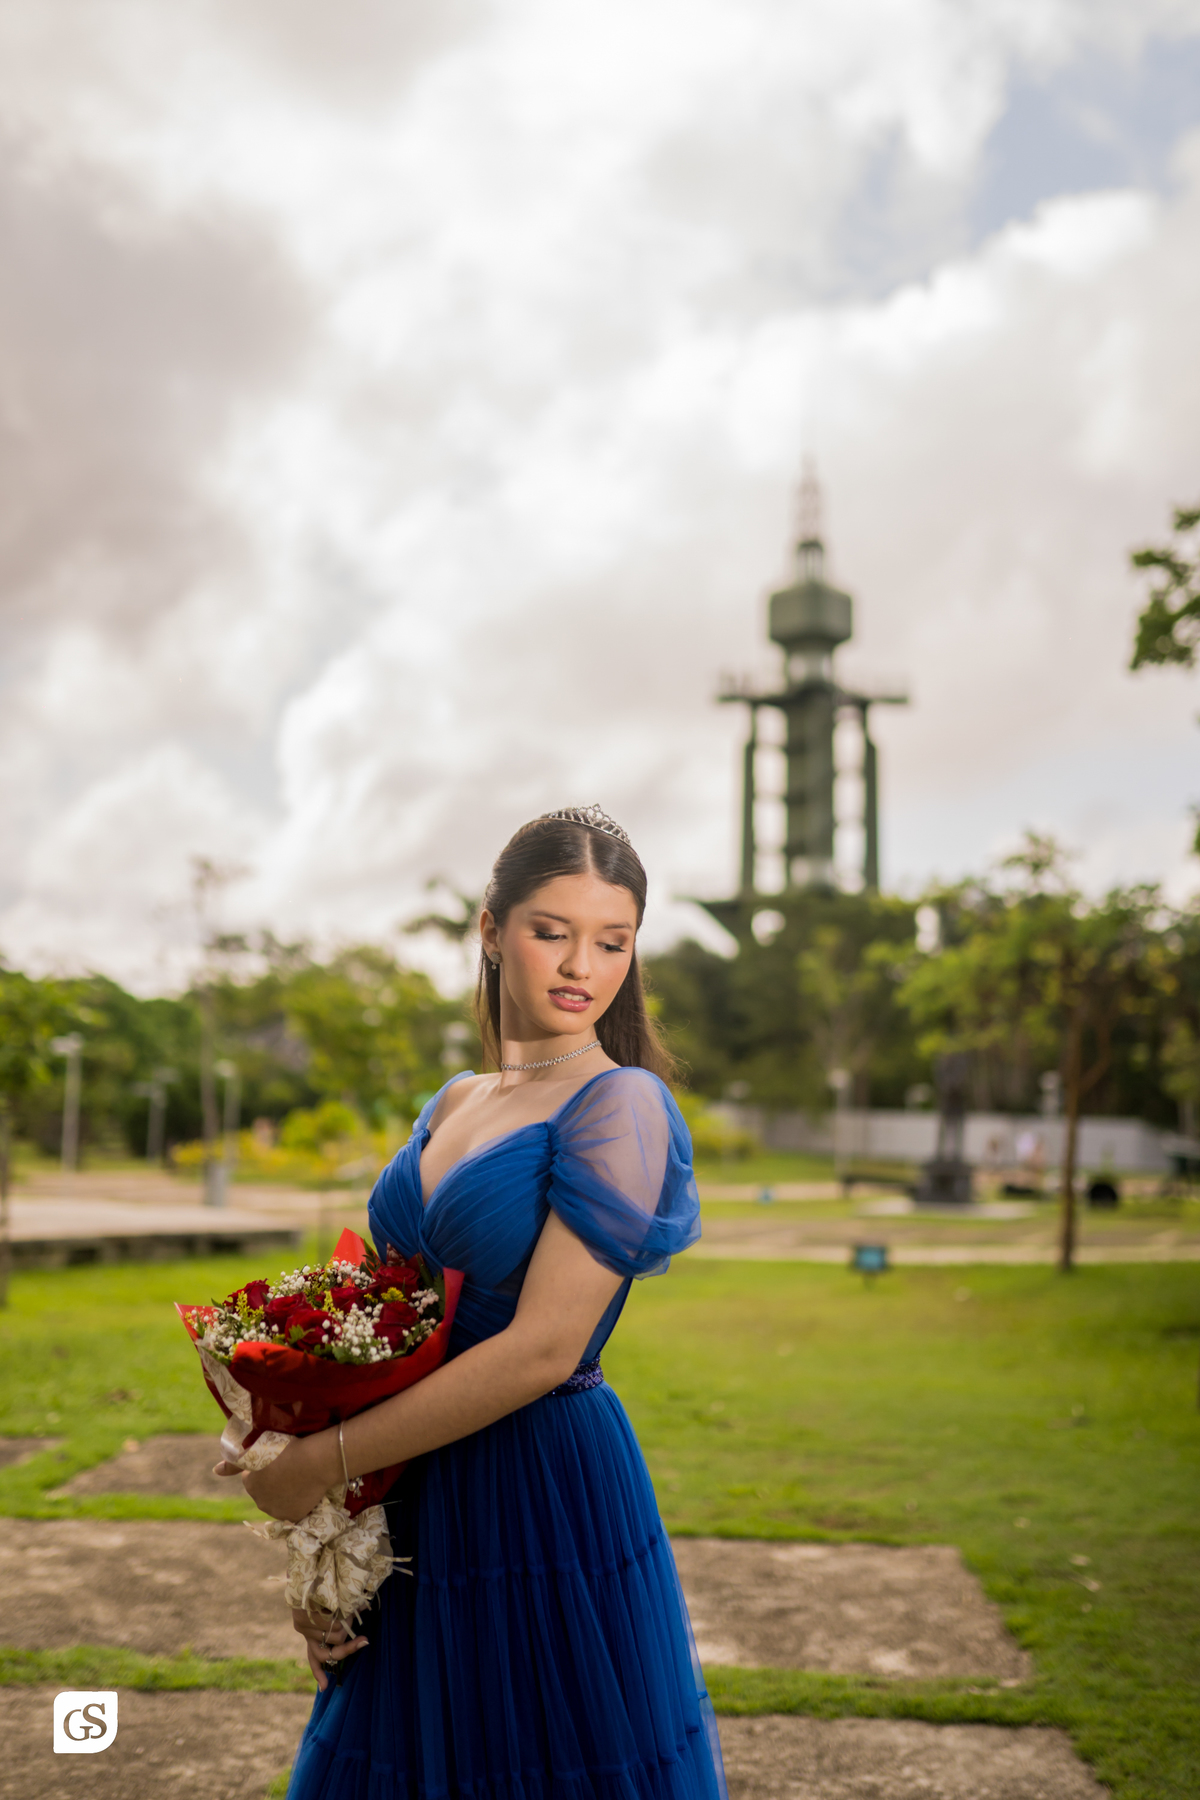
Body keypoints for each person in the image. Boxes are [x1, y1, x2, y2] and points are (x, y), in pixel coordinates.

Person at [222, 805, 729, 1800]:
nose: (581, 965)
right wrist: (324, 1524)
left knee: (531, 1756)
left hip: (536, 1480)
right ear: (492, 930)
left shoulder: (622, 1105)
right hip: (411, 1473)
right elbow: (376, 1325)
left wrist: (320, 1462)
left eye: (612, 941)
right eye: (552, 931)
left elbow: (543, 1349)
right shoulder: (456, 1099)